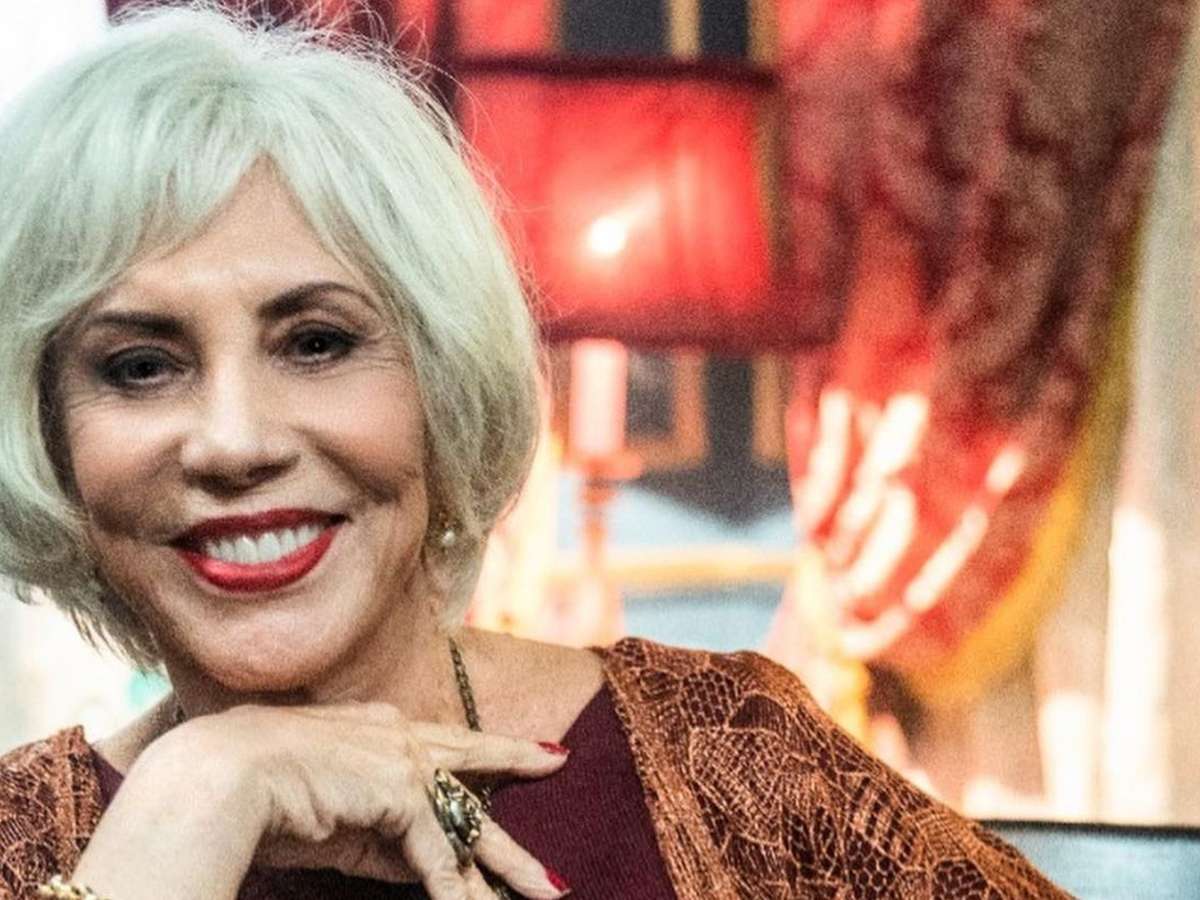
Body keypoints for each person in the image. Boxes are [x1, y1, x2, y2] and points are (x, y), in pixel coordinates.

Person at [0, 5, 1069, 899]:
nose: (235, 442)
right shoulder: (25, 841)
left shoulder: (726, 762)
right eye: (140, 366)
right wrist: (196, 796)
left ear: (442, 383)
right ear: (48, 431)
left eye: (317, 343)